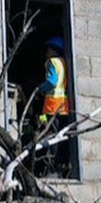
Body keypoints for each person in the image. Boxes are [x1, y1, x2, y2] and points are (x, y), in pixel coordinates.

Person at [37, 36, 70, 177]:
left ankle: (51, 168)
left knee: (51, 137)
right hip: (63, 105)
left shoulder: (51, 62)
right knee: (60, 136)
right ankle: (61, 166)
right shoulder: (63, 62)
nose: (46, 53)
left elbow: (51, 82)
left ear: (53, 50)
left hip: (52, 105)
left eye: (48, 50)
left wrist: (39, 89)